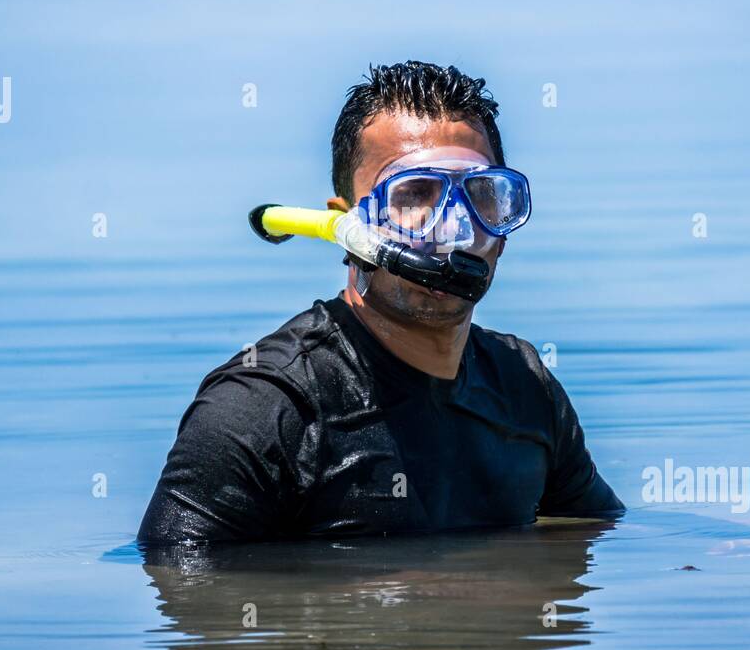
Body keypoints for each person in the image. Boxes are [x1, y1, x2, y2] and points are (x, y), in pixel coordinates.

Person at [138, 61, 622, 542]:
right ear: (347, 228)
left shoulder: (522, 385)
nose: (454, 232)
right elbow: (182, 591)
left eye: (481, 196)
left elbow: (595, 534)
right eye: (413, 198)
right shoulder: (262, 409)